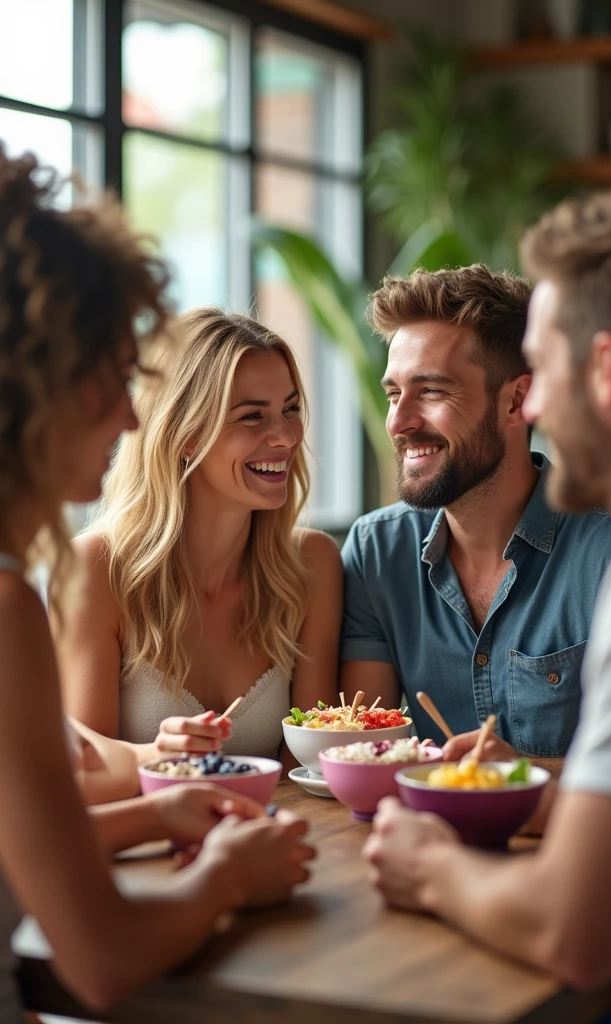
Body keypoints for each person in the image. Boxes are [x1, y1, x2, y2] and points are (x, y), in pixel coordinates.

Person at [0, 148, 314, 1022]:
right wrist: (226, 874)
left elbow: (22, 842)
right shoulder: (12, 604)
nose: (132, 416)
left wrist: (157, 817)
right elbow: (103, 962)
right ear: (35, 383)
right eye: (110, 377)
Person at [364, 180, 611, 1024]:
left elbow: (570, 932)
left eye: (543, 372)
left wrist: (429, 863)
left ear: (607, 369)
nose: (534, 404)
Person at [341, 265, 611, 770]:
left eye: (431, 391)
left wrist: (517, 773)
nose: (400, 421)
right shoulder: (374, 554)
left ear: (517, 401)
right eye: (392, 393)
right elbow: (367, 753)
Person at [56, 308, 341, 768]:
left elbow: (307, 768)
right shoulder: (96, 567)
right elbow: (81, 773)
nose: (287, 437)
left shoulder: (312, 564)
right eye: (252, 417)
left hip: (269, 831)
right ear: (185, 434)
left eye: (290, 409)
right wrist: (155, 755)